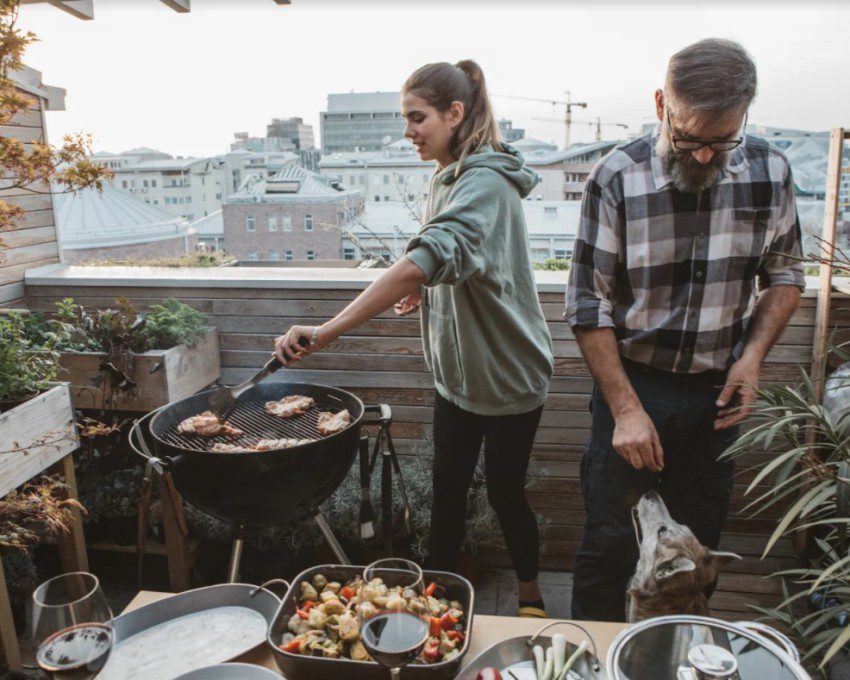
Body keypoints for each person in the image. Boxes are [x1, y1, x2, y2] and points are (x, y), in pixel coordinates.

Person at [275, 60, 554, 618]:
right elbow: (450, 258)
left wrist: (327, 331)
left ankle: (530, 596)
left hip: (507, 375)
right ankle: (436, 608)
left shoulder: (486, 183)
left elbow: (429, 254)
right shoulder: (446, 177)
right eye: (405, 118)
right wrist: (427, 291)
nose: (408, 131)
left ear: (455, 113)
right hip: (457, 376)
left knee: (504, 495)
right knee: (447, 495)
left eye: (417, 117)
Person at [565, 38, 805, 622]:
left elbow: (786, 273)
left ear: (745, 116)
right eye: (689, 138)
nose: (703, 156)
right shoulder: (616, 175)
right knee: (610, 545)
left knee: (697, 550)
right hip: (633, 384)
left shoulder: (770, 170)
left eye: (721, 140)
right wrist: (624, 409)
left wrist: (751, 360)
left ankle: (673, 651)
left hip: (718, 390)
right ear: (660, 105)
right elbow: (586, 302)